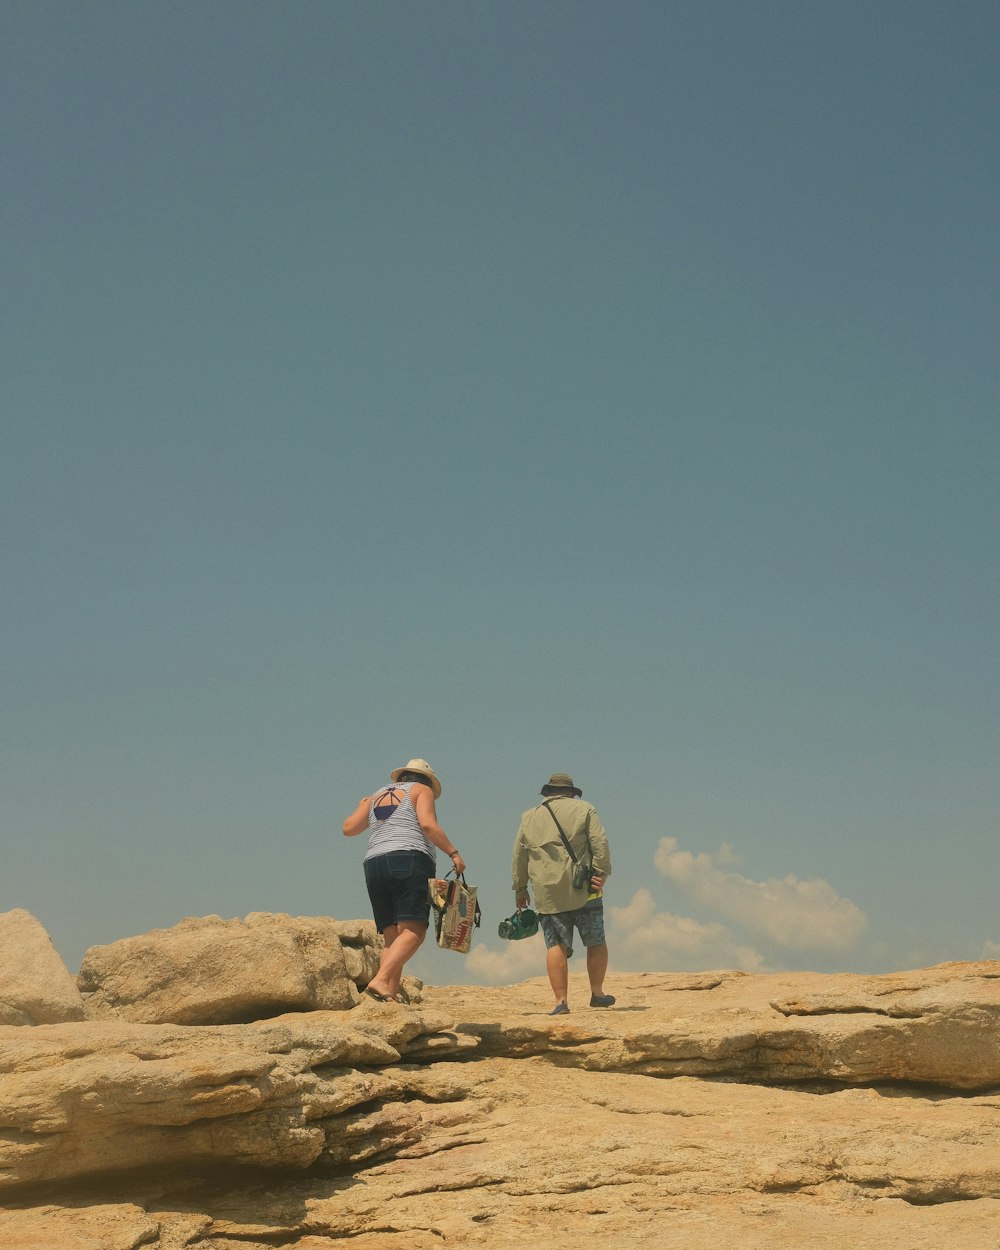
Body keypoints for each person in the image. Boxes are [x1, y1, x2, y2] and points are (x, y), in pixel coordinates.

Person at [343, 757, 465, 1003]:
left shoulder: (375, 796)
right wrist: (453, 853)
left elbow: (349, 829)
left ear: (401, 777)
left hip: (374, 863)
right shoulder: (422, 791)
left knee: (392, 937)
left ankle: (387, 993)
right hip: (408, 858)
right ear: (427, 780)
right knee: (414, 931)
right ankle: (380, 980)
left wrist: (362, 805)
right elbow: (428, 825)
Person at [512, 772, 614, 1015]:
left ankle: (561, 1001)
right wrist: (602, 874)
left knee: (555, 944)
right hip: (584, 888)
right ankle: (597, 993)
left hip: (548, 894)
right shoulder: (585, 809)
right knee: (596, 940)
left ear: (546, 793)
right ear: (570, 793)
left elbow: (519, 855)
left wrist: (520, 888)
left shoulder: (529, 817)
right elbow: (600, 842)